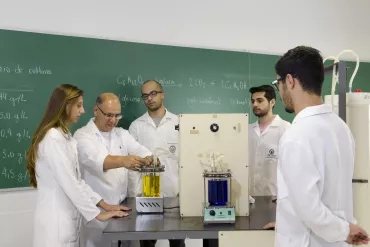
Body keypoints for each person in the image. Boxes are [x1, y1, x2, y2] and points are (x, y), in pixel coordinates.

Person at [270, 46, 369, 246]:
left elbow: (310, 210)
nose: (279, 91)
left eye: (278, 83)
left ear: (289, 81)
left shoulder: (295, 135)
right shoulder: (341, 128)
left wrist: (346, 230)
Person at [26, 84, 127, 247]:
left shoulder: (65, 137)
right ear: (66, 106)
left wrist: (105, 206)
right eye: (79, 105)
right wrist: (98, 215)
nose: (82, 111)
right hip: (55, 226)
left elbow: (77, 181)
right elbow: (69, 183)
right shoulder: (53, 138)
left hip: (66, 223)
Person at [73, 92, 155, 247]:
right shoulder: (82, 136)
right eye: (109, 115)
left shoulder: (122, 134)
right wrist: (124, 160)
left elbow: (142, 151)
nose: (113, 120)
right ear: (96, 110)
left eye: (117, 116)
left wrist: (147, 159)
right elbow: (100, 161)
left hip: (123, 209)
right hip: (96, 211)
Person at [129, 80, 185, 247]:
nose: (149, 98)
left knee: (177, 243)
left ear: (163, 94)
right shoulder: (136, 127)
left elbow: (186, 160)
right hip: (146, 196)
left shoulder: (179, 123)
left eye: (153, 93)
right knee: (146, 243)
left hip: (174, 195)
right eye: (145, 96)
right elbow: (132, 164)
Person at [248, 85, 290, 202]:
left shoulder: (286, 129)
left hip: (276, 198)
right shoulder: (247, 131)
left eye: (259, 100)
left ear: (272, 102)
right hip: (250, 198)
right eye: (253, 101)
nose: (255, 104)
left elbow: (293, 167)